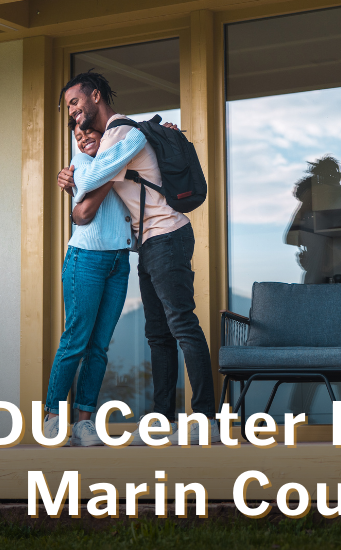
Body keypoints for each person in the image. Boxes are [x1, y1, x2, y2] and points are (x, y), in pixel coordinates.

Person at [58, 71, 220, 443]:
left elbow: (89, 181)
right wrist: (79, 169)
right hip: (148, 243)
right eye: (68, 107)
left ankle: (206, 419)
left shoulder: (123, 134)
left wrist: (74, 175)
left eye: (75, 102)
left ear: (95, 96)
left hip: (167, 235)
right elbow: (85, 202)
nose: (72, 112)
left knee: (182, 326)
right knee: (158, 335)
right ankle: (163, 421)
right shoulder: (110, 139)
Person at [41, 119, 133, 446]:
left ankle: (83, 421)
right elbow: (83, 215)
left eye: (87, 133)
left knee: (99, 346)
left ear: (104, 132)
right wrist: (115, 172)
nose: (82, 140)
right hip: (86, 258)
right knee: (76, 339)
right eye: (77, 136)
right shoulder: (82, 163)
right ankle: (53, 416)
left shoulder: (120, 154)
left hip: (119, 260)